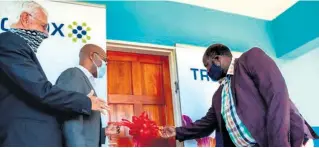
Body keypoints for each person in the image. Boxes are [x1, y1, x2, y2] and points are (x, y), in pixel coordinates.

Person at [160, 44, 318, 147]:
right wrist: (177, 131)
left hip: (288, 141)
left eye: (207, 66)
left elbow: (277, 95)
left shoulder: (250, 59)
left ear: (217, 59)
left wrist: (279, 145)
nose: (208, 72)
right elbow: (206, 124)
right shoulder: (219, 95)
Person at [0, 1, 108, 146]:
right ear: (25, 19)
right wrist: (85, 102)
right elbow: (40, 91)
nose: (46, 33)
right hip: (26, 138)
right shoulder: (10, 43)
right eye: (44, 26)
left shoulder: (17, 48)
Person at [55, 44, 118, 146]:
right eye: (104, 60)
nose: (105, 65)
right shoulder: (73, 75)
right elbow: (70, 122)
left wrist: (104, 132)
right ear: (92, 56)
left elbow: (85, 126)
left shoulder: (85, 80)